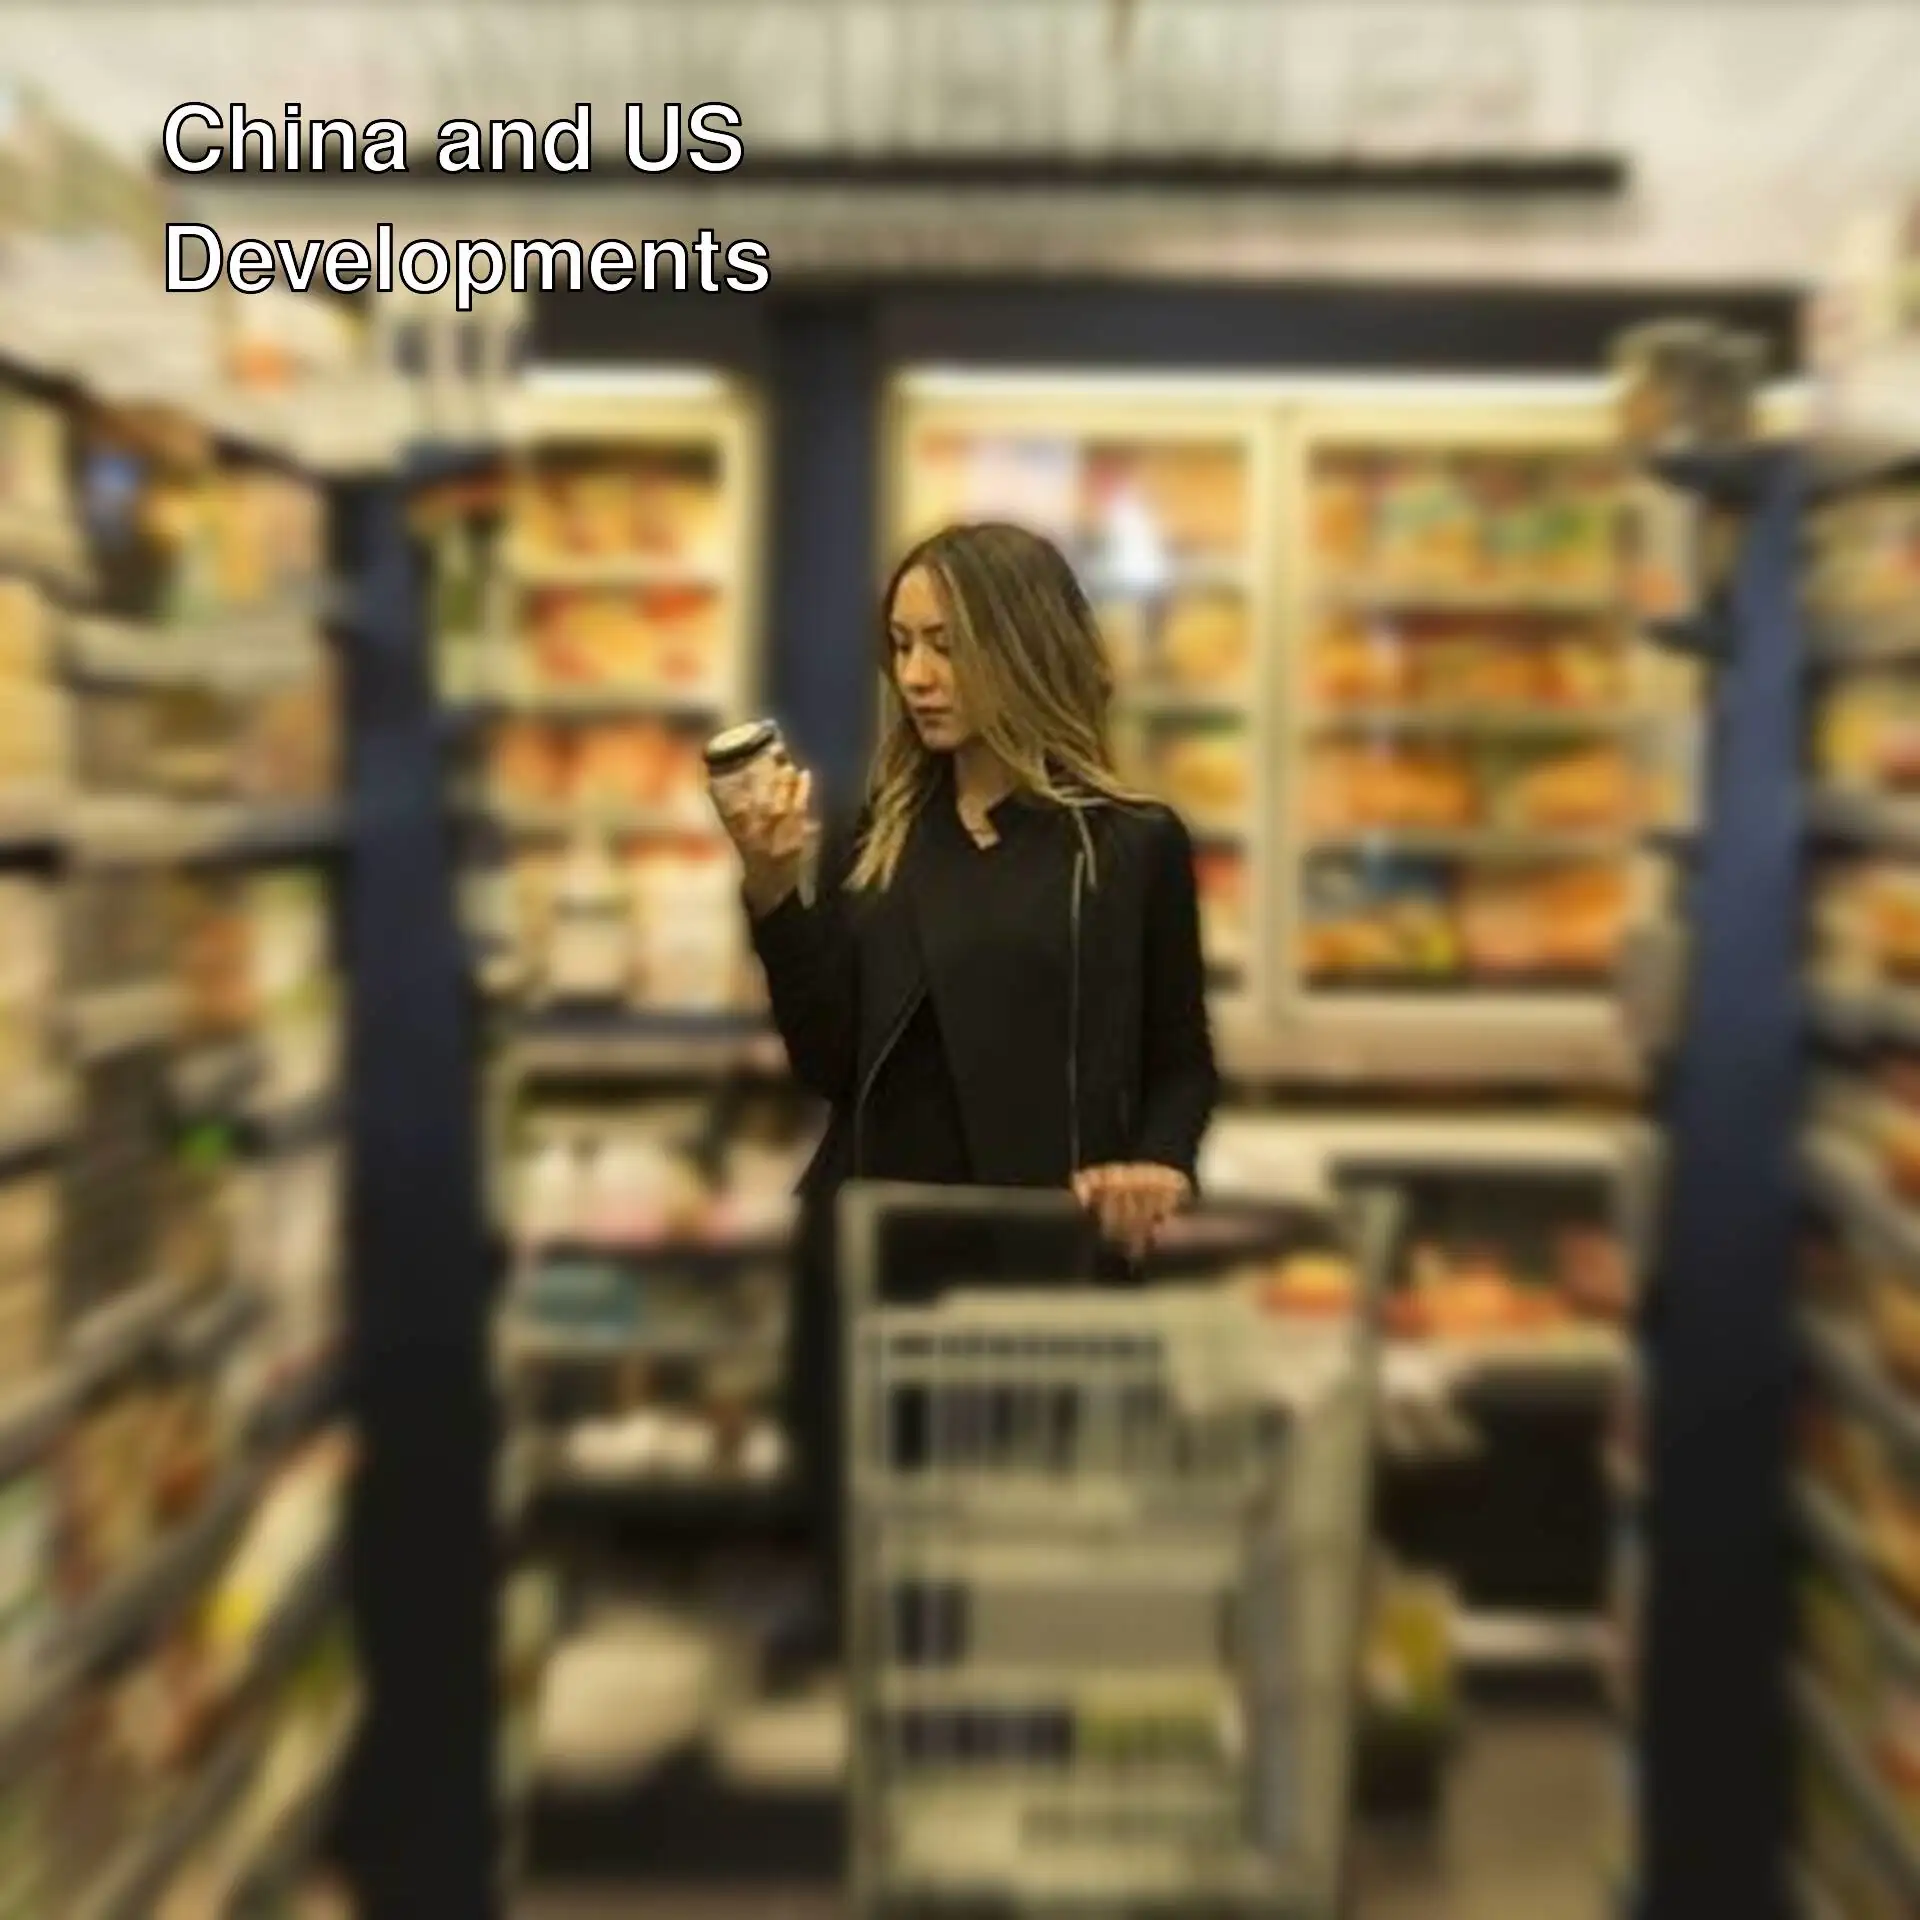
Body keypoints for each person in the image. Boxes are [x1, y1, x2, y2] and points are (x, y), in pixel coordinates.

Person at [708, 519, 1219, 1645]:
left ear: (1022, 643)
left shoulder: (1127, 849)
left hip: (1046, 1282)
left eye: (947, 643)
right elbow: (827, 1062)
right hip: (876, 1276)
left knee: (1038, 1621)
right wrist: (771, 887)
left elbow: (1181, 1063)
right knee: (891, 1629)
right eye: (901, 645)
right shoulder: (880, 842)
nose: (919, 676)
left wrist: (1161, 1166)